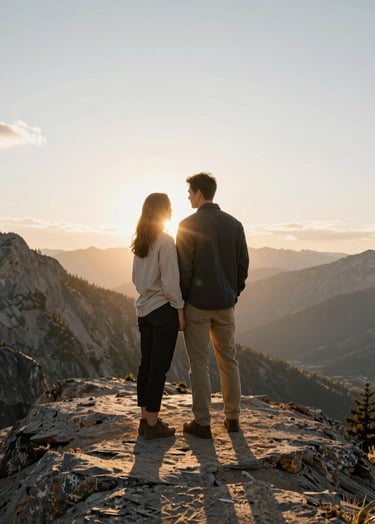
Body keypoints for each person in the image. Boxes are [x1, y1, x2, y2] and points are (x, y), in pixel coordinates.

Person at [176, 173, 249, 438]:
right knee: (229, 360)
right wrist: (232, 293)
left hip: (197, 305)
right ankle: (233, 420)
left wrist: (182, 304)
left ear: (198, 193)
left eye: (189, 193)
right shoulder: (235, 225)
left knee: (199, 364)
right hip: (225, 304)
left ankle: (203, 423)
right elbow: (243, 267)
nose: (187, 197)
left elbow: (184, 270)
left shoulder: (187, 226)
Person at [131, 193, 185, 439]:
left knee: (146, 365)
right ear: (162, 211)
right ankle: (153, 424)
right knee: (159, 368)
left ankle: (145, 418)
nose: (172, 211)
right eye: (169, 208)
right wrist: (180, 311)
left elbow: (136, 279)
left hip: (144, 309)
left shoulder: (141, 242)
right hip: (163, 310)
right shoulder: (165, 241)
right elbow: (171, 282)